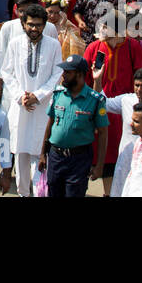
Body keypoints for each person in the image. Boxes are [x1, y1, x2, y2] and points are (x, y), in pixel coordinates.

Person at [0, 4, 63, 196]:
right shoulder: (15, 43)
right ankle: (24, 193)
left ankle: (40, 193)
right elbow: (7, 72)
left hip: (43, 108)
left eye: (39, 25)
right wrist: (21, 96)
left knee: (40, 154)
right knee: (21, 154)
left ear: (45, 25)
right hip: (20, 107)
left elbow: (57, 73)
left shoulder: (53, 45)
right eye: (31, 25)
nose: (34, 29)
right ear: (23, 24)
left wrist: (38, 95)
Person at [38, 55, 109, 198]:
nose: (63, 75)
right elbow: (50, 123)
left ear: (79, 74)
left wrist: (99, 165)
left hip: (79, 159)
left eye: (67, 72)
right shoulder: (58, 94)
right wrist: (42, 154)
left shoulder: (95, 100)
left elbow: (102, 133)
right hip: (56, 157)